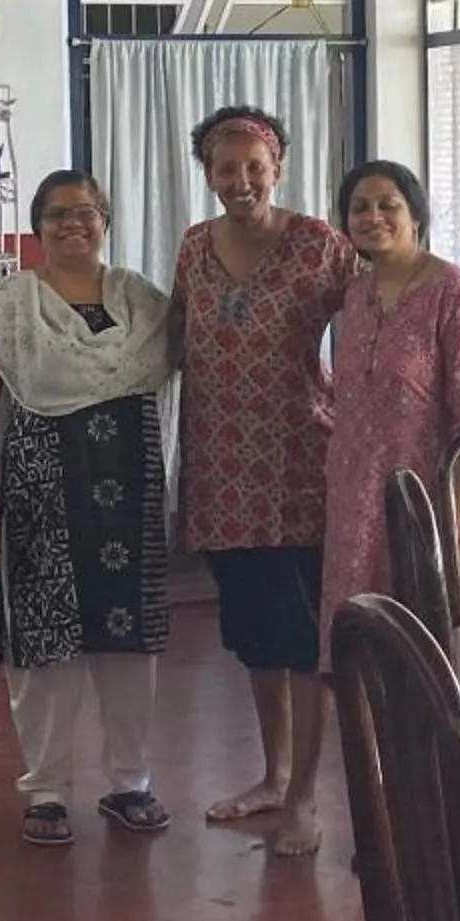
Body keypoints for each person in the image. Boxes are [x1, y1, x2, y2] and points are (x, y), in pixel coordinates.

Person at [0, 171, 178, 847]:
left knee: (129, 642)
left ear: (106, 220)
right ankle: (47, 790)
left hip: (129, 498)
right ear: (37, 227)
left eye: (86, 211)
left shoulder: (141, 300)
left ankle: (129, 782)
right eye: (57, 214)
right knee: (42, 648)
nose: (72, 224)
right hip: (37, 498)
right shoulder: (7, 308)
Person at [170, 104, 358, 859]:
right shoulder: (194, 246)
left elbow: (381, 314)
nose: (241, 180)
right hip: (221, 473)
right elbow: (170, 338)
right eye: (226, 168)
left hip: (298, 469)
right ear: (207, 174)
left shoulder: (320, 243)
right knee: (256, 638)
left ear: (277, 168)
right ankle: (274, 777)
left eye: (255, 167)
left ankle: (306, 796)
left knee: (303, 639)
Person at [322, 156, 460, 655]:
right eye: (360, 208)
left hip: (428, 499)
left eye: (388, 205)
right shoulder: (356, 293)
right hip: (356, 497)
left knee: (430, 654)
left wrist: (453, 526)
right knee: (363, 648)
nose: (373, 217)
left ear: (415, 215)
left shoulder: (454, 294)